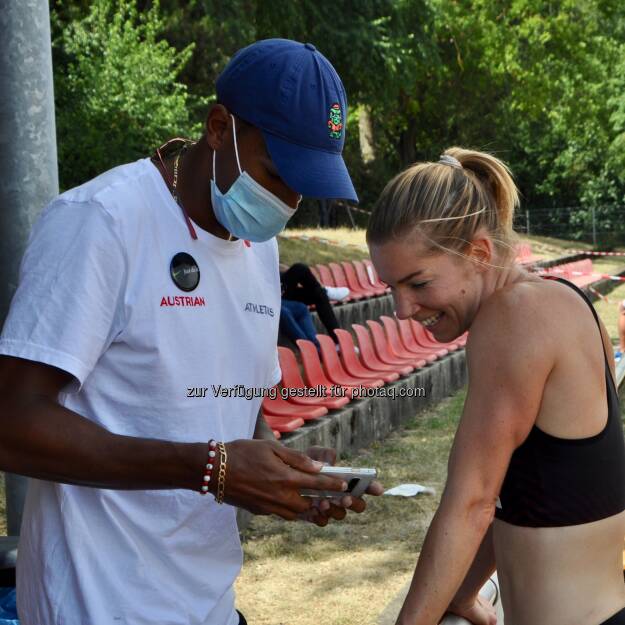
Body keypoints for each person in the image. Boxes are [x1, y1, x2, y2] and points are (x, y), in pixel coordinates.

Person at [0, 39, 382, 625]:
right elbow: (13, 422)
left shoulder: (259, 246)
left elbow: (232, 410)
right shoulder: (102, 222)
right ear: (217, 126)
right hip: (97, 606)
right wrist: (213, 468)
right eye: (276, 174)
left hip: (209, 603)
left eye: (302, 187)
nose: (286, 202)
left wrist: (283, 473)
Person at [366, 148, 625, 625]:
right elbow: (522, 499)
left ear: (479, 253)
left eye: (418, 283)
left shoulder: (513, 316)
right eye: (391, 288)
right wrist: (464, 594)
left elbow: (472, 502)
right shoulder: (564, 299)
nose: (402, 309)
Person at [280, 261, 349, 344]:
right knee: (299, 268)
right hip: (272, 293)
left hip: (280, 288)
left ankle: (338, 341)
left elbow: (275, 265)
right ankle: (325, 291)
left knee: (319, 294)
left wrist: (288, 271)